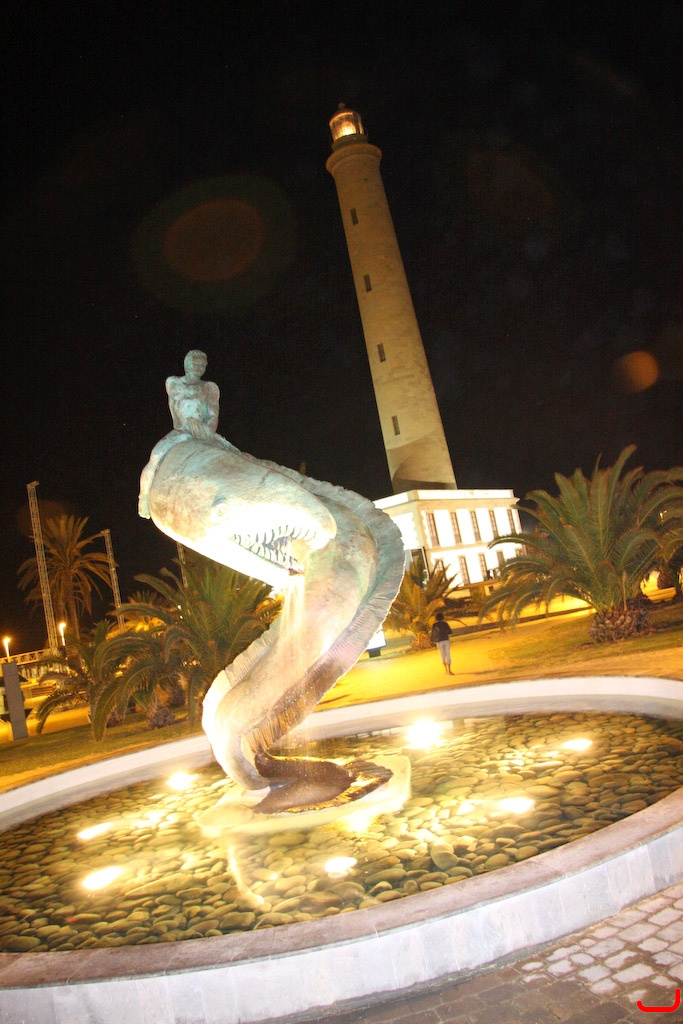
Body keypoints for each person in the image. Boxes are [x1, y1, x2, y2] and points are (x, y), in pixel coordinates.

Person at [138, 350, 238, 518]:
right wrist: (182, 428)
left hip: (202, 431)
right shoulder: (172, 383)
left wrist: (206, 432)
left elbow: (213, 415)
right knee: (156, 456)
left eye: (203, 365)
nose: (200, 367)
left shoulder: (209, 387)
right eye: (196, 363)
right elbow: (174, 410)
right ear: (187, 364)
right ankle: (144, 497)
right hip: (181, 430)